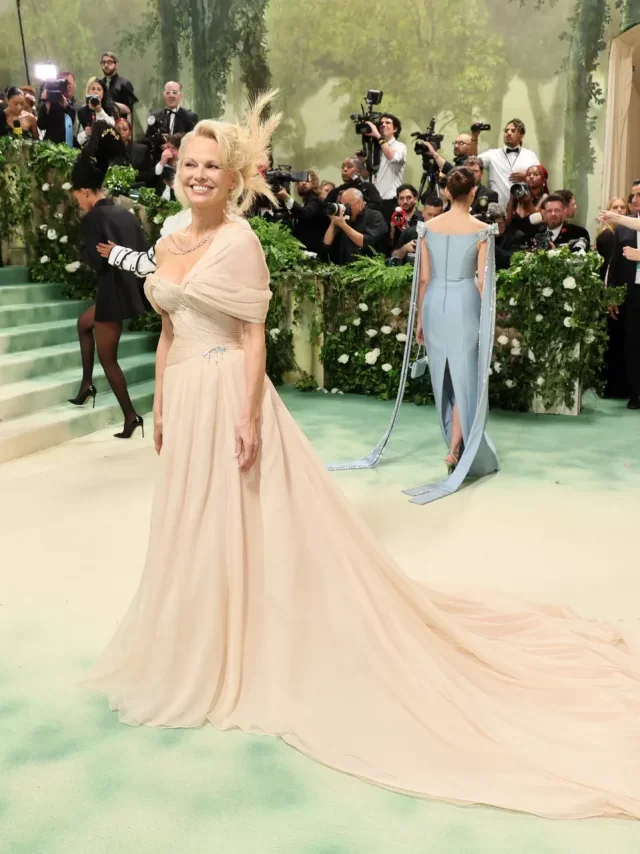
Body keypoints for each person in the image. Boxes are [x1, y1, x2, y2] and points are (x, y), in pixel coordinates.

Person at [79, 96, 640, 821]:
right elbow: (167, 326)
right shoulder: (169, 234)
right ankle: (198, 636)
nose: (198, 175)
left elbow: (251, 338)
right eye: (190, 163)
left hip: (228, 396)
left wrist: (247, 416)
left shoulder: (240, 242)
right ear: (176, 167)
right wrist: (160, 404)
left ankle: (245, 642)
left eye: (212, 166)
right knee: (192, 521)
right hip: (184, 398)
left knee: (245, 522)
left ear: (233, 177)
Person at [411, 167, 498, 498]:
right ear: (473, 192)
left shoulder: (427, 227)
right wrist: (489, 318)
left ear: (447, 192)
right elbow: (483, 282)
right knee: (464, 373)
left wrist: (420, 318)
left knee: (444, 375)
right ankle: (457, 446)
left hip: (434, 301)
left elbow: (423, 278)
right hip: (464, 302)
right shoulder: (482, 230)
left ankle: (454, 443)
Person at [68, 125, 149, 437]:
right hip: (128, 291)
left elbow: (98, 262)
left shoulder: (93, 219)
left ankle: (131, 416)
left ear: (86, 192)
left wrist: (91, 252)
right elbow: (141, 253)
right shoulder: (125, 213)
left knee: (109, 360)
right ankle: (86, 385)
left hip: (112, 296)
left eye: (77, 197)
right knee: (82, 324)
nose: (78, 203)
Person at [598, 198, 640, 409]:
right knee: (632, 342)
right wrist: (612, 295)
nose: (636, 200)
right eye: (634, 195)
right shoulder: (623, 229)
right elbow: (613, 264)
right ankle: (636, 393)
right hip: (633, 293)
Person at [596, 198, 630, 399]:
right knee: (616, 340)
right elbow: (611, 267)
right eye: (615, 207)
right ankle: (615, 386)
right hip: (613, 292)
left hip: (618, 291)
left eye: (622, 207)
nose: (619, 210)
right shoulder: (608, 235)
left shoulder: (623, 233)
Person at [471, 119, 540, 206]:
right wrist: (474, 137)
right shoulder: (492, 155)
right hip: (497, 208)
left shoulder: (530, 155)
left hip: (523, 208)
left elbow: (541, 179)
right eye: (506, 130)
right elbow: (472, 162)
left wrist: (526, 177)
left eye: (513, 131)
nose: (509, 133)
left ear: (521, 135)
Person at [322, 187, 387, 264]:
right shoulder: (343, 218)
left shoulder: (375, 216)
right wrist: (333, 221)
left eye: (347, 205)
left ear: (359, 203)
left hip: (367, 266)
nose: (344, 208)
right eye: (342, 204)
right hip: (342, 266)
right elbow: (326, 244)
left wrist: (343, 225)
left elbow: (366, 242)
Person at [275, 170, 329, 256]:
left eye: (307, 181)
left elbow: (305, 214)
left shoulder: (315, 200)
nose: (303, 183)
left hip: (313, 254)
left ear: (314, 184)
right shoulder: (306, 202)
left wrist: (286, 197)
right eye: (300, 181)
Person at [365, 112, 407, 222]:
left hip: (390, 202)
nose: (383, 125)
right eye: (381, 123)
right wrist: (361, 161)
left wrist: (378, 135)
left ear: (395, 129)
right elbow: (366, 175)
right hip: (373, 202)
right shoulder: (376, 149)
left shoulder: (400, 146)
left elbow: (391, 157)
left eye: (388, 123)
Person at [144, 81, 198, 146]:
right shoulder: (155, 116)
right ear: (163, 95)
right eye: (168, 93)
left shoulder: (190, 117)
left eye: (174, 92)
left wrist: (173, 142)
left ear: (181, 96)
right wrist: (158, 143)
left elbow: (193, 140)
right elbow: (146, 140)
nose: (171, 95)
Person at [506, 164, 549, 243]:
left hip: (535, 240)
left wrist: (529, 203)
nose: (531, 177)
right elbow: (507, 222)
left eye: (536, 174)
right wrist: (512, 198)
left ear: (543, 180)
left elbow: (540, 224)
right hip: (515, 241)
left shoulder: (545, 198)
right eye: (528, 175)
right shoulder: (519, 197)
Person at [38, 72, 78, 146]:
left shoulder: (79, 105)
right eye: (64, 84)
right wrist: (47, 104)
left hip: (74, 147)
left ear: (74, 85)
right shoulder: (50, 103)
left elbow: (76, 122)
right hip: (52, 146)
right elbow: (41, 125)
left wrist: (66, 106)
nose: (67, 87)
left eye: (69, 84)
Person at [77, 78, 117, 146]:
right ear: (88, 91)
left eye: (99, 89)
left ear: (103, 92)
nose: (96, 92)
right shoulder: (82, 111)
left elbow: (113, 126)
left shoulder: (110, 108)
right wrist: (86, 134)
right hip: (88, 146)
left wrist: (99, 111)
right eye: (93, 89)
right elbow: (78, 137)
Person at [115, 117, 155, 185]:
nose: (121, 132)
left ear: (130, 132)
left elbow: (150, 174)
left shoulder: (141, 150)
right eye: (118, 130)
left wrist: (132, 175)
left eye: (125, 129)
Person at [488, 202, 526, 270]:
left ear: (504, 221)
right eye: (493, 224)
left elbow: (511, 260)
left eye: (499, 224)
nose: (496, 227)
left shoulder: (517, 235)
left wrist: (489, 245)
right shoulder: (485, 235)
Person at [100, 52, 137, 118]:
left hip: (120, 123)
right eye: (103, 62)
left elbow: (129, 110)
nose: (106, 65)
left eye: (109, 62)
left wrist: (110, 103)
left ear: (116, 65)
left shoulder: (125, 84)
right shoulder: (99, 84)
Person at [389, 183, 423, 250]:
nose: (405, 201)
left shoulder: (422, 218)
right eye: (401, 198)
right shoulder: (393, 217)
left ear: (415, 199)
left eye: (408, 198)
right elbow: (389, 248)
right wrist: (392, 231)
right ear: (398, 201)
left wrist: (407, 231)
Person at [464, 156, 498, 220]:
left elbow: (488, 220)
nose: (472, 174)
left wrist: (467, 207)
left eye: (475, 171)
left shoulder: (491, 195)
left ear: (481, 173)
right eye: (469, 171)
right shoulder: (457, 192)